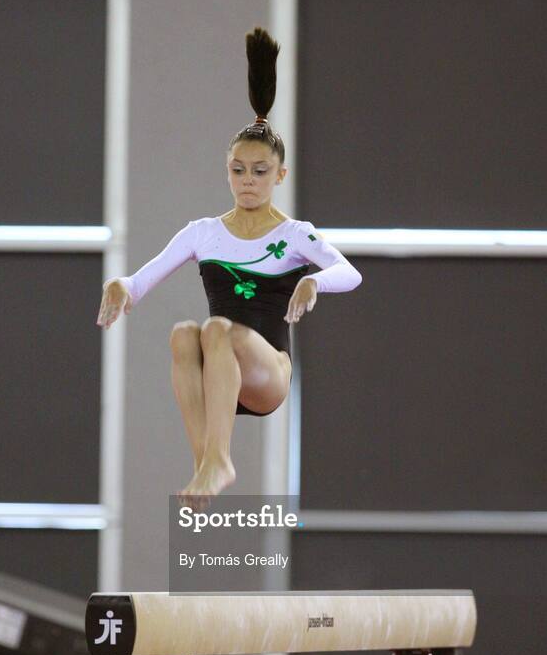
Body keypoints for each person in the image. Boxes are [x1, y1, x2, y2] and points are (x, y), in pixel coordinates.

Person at [97, 27, 362, 501]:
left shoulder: (296, 234)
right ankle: (206, 465)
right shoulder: (203, 232)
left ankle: (218, 460)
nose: (248, 181)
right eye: (238, 170)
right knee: (183, 333)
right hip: (219, 379)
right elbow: (141, 281)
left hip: (267, 374)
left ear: (280, 175)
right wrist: (121, 285)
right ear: (227, 171)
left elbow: (350, 272)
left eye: (260, 172)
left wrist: (315, 282)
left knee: (216, 328)